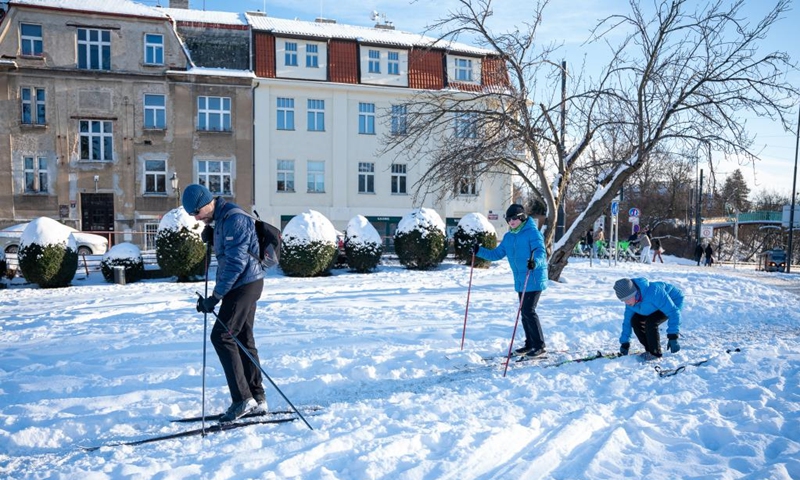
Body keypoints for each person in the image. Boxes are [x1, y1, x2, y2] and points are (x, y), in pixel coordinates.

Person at [183, 183, 267, 422]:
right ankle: (257, 398)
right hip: (243, 283)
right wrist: (213, 236)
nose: (196, 218)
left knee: (221, 336)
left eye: (197, 212)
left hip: (245, 284)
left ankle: (243, 399)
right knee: (242, 338)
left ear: (208, 202)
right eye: (192, 215)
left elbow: (235, 264)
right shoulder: (220, 220)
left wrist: (215, 297)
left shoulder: (233, 219)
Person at [473, 204, 548, 358]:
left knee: (528, 310)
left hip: (533, 276)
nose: (511, 221)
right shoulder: (509, 237)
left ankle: (539, 345)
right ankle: (530, 344)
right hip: (521, 280)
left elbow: (541, 252)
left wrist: (535, 262)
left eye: (514, 218)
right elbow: (497, 254)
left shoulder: (532, 233)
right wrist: (478, 251)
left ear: (522, 217)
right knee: (524, 312)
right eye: (508, 219)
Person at [614, 278, 684, 359]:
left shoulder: (654, 292)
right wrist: (625, 343)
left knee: (651, 322)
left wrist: (673, 336)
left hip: (673, 301)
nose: (626, 303)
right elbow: (627, 322)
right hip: (652, 305)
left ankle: (655, 353)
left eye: (627, 299)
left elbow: (674, 312)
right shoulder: (631, 302)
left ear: (634, 293)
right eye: (623, 300)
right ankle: (649, 349)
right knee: (635, 320)